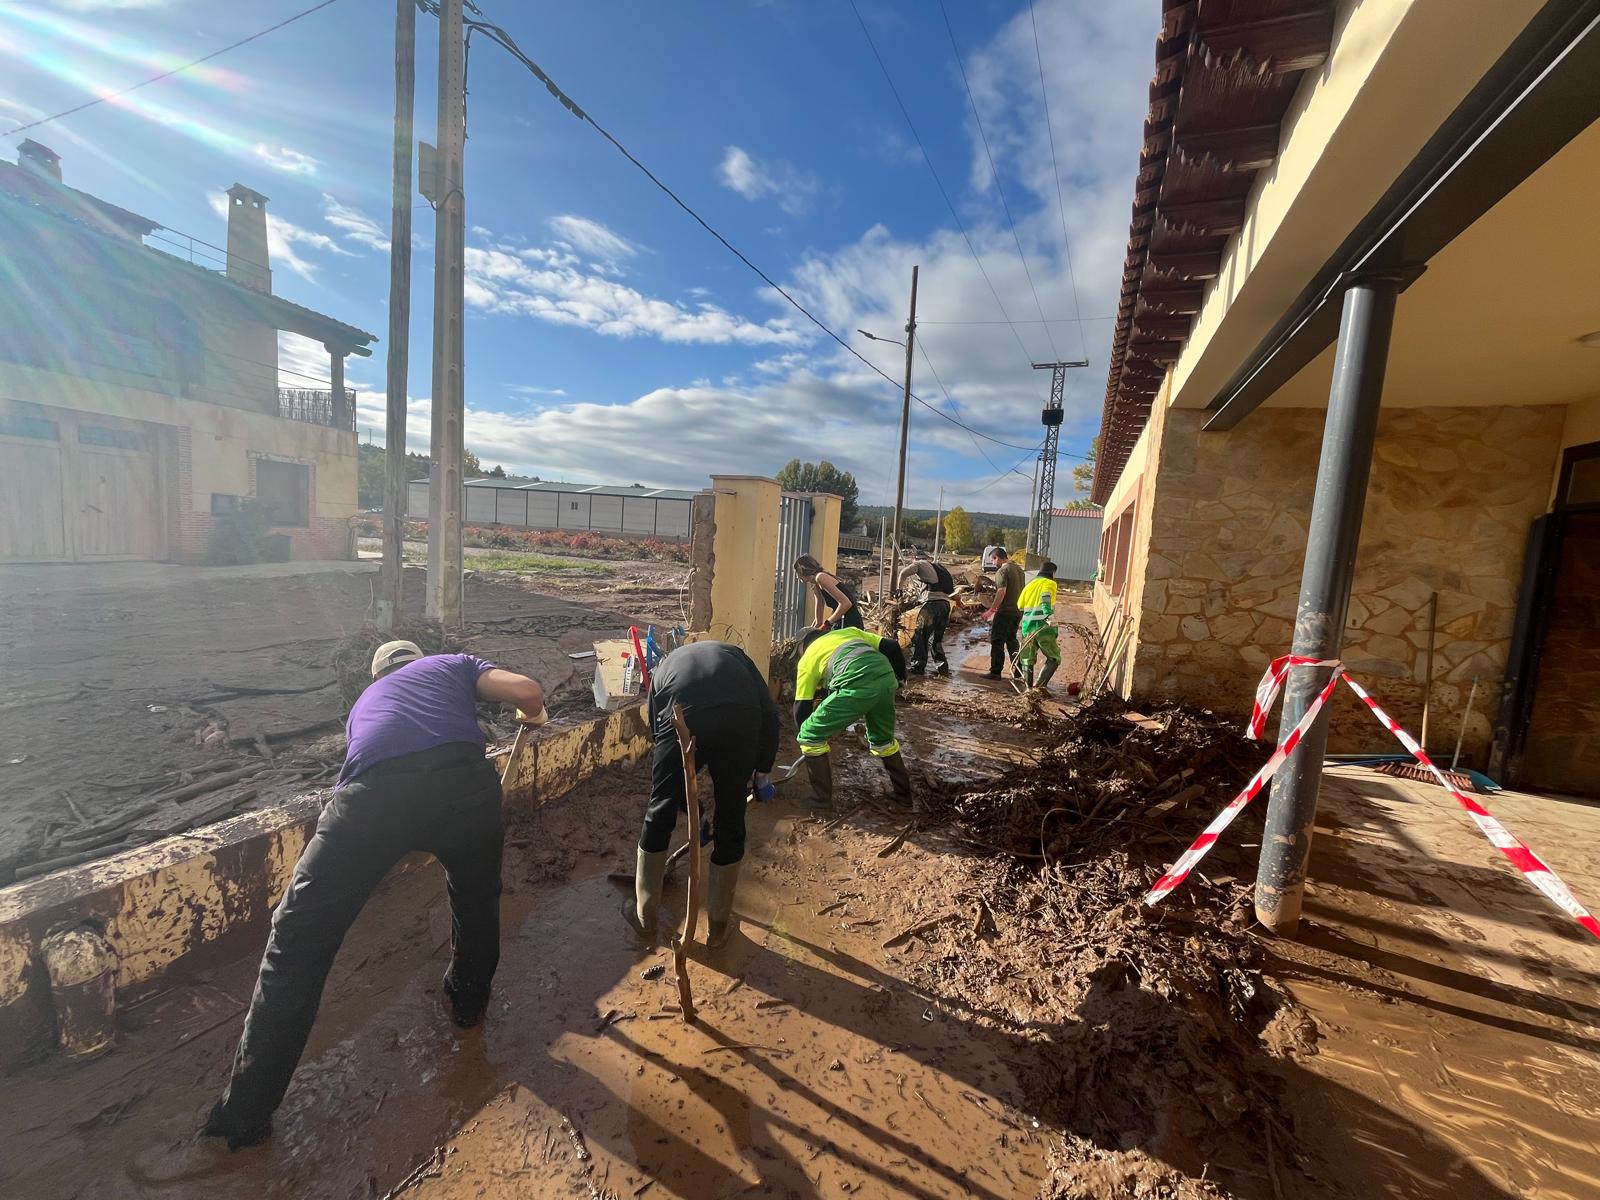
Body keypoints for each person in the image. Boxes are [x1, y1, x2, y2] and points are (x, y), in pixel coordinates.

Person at [200, 641, 546, 1149]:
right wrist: (532, 715)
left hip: (373, 801)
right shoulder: (450, 665)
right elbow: (527, 691)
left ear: (378, 674)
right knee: (475, 898)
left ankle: (244, 1115)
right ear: (420, 659)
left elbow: (378, 759)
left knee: (296, 943)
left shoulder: (367, 701)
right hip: (466, 787)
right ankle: (468, 1004)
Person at [627, 640, 778, 948]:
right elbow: (770, 716)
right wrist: (761, 771)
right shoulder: (738, 655)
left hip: (682, 712)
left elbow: (663, 742)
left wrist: (686, 803)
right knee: (732, 811)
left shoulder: (662, 671)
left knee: (660, 805)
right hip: (741, 716)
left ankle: (645, 917)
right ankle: (719, 928)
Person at [793, 626, 910, 808]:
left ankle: (821, 800)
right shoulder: (849, 632)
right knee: (883, 741)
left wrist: (808, 738)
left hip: (857, 682)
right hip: (886, 677)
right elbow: (892, 646)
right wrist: (901, 679)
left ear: (802, 646)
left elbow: (801, 706)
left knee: (809, 735)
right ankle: (904, 797)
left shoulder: (807, 659)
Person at [896, 556, 953, 675]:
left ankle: (917, 666)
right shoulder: (939, 568)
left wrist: (899, 589)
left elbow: (903, 573)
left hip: (931, 607)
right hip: (945, 605)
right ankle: (942, 667)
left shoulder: (920, 563)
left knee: (919, 636)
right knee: (935, 639)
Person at [983, 547, 1027, 679]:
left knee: (997, 640)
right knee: (1011, 639)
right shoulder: (1019, 570)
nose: (993, 563)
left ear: (997, 557)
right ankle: (1019, 669)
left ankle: (995, 671)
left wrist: (991, 610)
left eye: (993, 560)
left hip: (1005, 611)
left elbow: (1001, 591)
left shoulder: (1002, 571)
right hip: (1018, 611)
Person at [1016, 561, 1061, 691]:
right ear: (1053, 572)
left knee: (1027, 658)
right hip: (1043, 627)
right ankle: (1039, 686)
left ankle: (1028, 690)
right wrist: (1048, 615)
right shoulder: (1050, 583)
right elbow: (1045, 596)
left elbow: (1020, 605)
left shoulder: (1029, 585)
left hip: (1027, 627)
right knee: (1054, 657)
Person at [792, 553, 862, 630]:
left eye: (797, 572)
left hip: (850, 622)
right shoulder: (815, 584)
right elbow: (818, 621)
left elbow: (846, 603)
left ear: (802, 570)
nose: (797, 576)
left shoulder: (821, 577)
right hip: (839, 621)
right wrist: (810, 633)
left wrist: (827, 624)